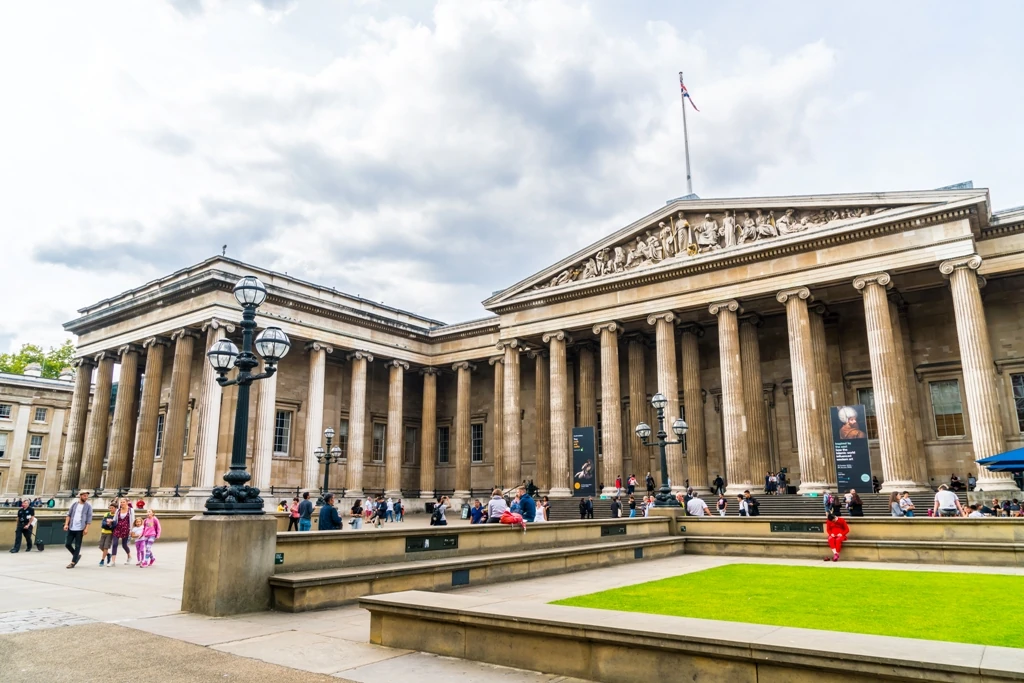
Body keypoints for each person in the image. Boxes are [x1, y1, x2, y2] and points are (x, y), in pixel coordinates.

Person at [63, 490, 93, 568]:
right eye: (84, 496)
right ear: (80, 496)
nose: (86, 497)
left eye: (87, 496)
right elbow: (68, 515)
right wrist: (66, 524)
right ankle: (76, 556)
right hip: (72, 527)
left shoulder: (88, 506)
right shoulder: (74, 505)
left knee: (77, 545)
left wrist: (86, 528)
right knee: (67, 544)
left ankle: (73, 562)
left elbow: (89, 519)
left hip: (80, 529)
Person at [109, 498, 135, 566]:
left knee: (124, 545)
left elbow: (132, 520)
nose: (122, 503)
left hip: (126, 529)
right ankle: (113, 561)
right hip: (117, 528)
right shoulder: (118, 510)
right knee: (114, 544)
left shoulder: (130, 510)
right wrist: (111, 521)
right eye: (121, 502)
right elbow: (115, 519)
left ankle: (129, 556)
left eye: (123, 502)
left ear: (127, 502)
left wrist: (131, 530)